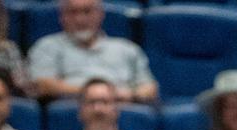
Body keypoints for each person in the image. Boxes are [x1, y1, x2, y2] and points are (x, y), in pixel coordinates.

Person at [28, 0, 157, 103]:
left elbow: (150, 89)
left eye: (87, 11)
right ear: (62, 17)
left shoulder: (127, 48)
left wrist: (132, 94)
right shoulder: (46, 46)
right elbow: (42, 85)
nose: (80, 19)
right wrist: (101, 95)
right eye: (73, 12)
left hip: (122, 113)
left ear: (101, 14)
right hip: (73, 112)